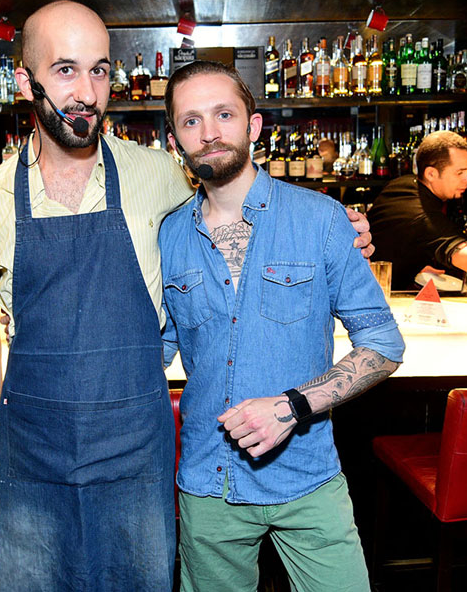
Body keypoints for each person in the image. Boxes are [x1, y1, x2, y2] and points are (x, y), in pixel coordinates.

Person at [0, 0, 373, 590]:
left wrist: (334, 228)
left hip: (135, 448)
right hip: (33, 452)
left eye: (100, 71)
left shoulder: (160, 174)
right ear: (26, 82)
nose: (86, 92)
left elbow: (233, 187)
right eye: (66, 70)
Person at [159, 60, 405, 592]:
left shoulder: (322, 219)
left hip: (307, 477)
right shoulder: (169, 236)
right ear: (175, 140)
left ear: (254, 126)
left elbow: (383, 343)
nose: (209, 132)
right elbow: (154, 352)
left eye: (224, 114)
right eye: (191, 121)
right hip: (209, 483)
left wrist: (293, 406)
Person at [367, 130, 467, 290]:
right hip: (376, 297)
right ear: (431, 174)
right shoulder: (423, 216)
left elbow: (394, 242)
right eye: (460, 172)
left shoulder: (401, 184)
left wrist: (412, 266)